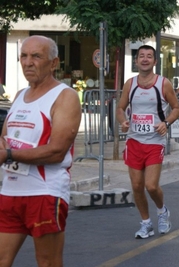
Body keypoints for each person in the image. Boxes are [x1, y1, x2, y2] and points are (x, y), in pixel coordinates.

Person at [0, 35, 81, 266]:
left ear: (54, 63)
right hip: (11, 192)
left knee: (47, 262)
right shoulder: (18, 96)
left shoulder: (65, 96)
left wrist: (8, 155)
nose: (28, 62)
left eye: (36, 56)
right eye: (24, 56)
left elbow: (56, 151)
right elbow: (4, 139)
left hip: (45, 192)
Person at [116, 45, 179, 239]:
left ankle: (162, 211)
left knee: (151, 185)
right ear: (136, 61)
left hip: (155, 140)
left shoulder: (163, 84)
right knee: (137, 186)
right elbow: (120, 108)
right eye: (141, 56)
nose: (145, 59)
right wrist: (123, 121)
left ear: (155, 61)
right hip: (134, 140)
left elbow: (176, 108)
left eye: (149, 56)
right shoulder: (130, 84)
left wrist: (166, 123)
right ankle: (146, 223)